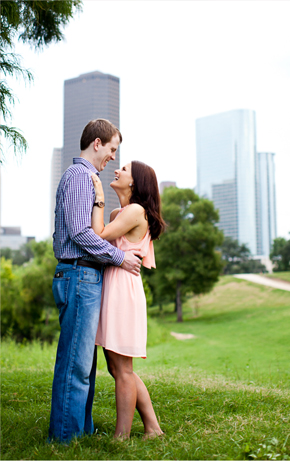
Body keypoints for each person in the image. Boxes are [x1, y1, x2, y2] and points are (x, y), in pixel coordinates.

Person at [50, 119, 143, 443]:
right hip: (78, 274)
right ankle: (65, 439)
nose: (113, 158)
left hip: (82, 275)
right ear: (98, 143)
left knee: (83, 363)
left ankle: (81, 431)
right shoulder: (80, 177)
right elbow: (80, 231)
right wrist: (120, 257)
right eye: (113, 149)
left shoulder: (86, 179)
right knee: (76, 364)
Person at [90, 160, 165, 440]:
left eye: (124, 169)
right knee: (116, 366)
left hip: (123, 290)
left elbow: (98, 236)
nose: (117, 170)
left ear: (134, 182)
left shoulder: (135, 211)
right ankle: (153, 428)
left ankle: (121, 437)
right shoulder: (119, 212)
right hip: (114, 285)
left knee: (122, 368)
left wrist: (98, 195)